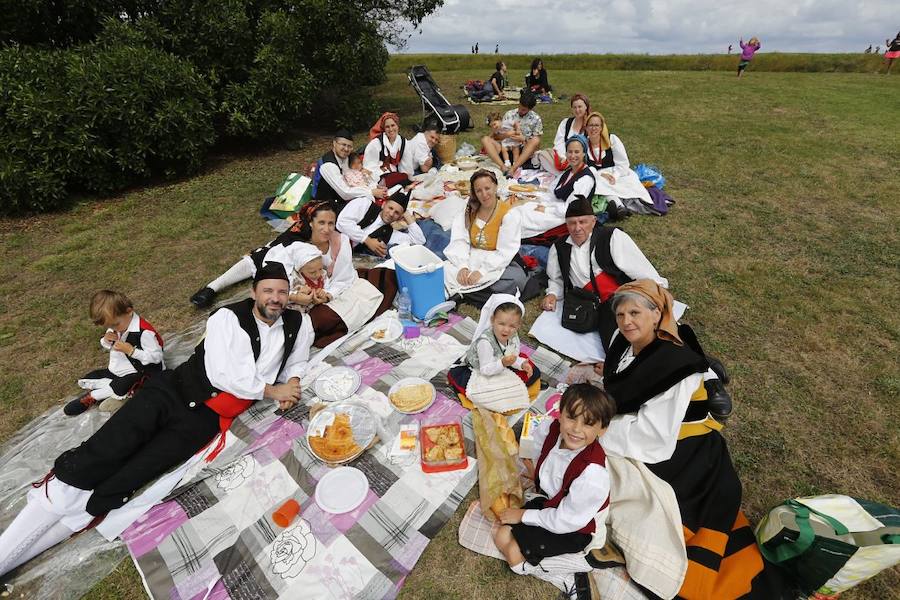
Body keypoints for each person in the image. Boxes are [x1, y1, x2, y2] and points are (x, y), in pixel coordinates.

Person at [0, 262, 314, 578]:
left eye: (282, 292)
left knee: (131, 478)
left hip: (205, 420)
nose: (275, 298)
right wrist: (274, 390)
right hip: (172, 392)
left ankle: (20, 555)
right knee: (101, 454)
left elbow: (297, 358)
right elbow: (224, 375)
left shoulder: (297, 323)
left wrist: (294, 383)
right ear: (253, 292)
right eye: (268, 291)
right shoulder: (227, 318)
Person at [600, 280, 777, 598]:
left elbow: (651, 436)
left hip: (683, 455)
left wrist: (598, 428)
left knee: (614, 488)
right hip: (649, 433)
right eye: (621, 314)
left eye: (636, 313)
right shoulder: (623, 342)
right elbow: (625, 387)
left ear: (657, 315)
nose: (627, 321)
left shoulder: (675, 366)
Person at [493, 383, 614, 597]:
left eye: (588, 423)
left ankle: (571, 574)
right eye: (571, 417)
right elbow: (540, 450)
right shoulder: (551, 429)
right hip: (552, 504)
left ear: (602, 429)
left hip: (575, 527)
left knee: (512, 553)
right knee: (501, 535)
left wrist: (523, 515)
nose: (576, 429)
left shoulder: (592, 476)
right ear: (560, 414)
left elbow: (565, 520)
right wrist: (535, 471)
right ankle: (557, 566)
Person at [541, 197, 667, 352]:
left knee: (651, 333)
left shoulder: (611, 236)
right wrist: (553, 294)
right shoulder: (559, 247)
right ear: (566, 224)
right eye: (572, 223)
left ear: (593, 221)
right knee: (615, 345)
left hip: (622, 295)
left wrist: (656, 290)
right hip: (590, 303)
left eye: (583, 222)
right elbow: (556, 278)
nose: (577, 228)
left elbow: (639, 268)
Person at [264, 202, 387, 347]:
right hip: (295, 294)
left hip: (328, 290)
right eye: (321, 223)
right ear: (311, 223)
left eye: (331, 223)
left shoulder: (341, 242)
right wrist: (294, 295)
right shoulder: (297, 245)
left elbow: (343, 278)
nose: (327, 229)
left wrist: (327, 294)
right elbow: (275, 276)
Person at [64, 290, 164, 416]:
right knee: (92, 376)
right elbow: (110, 342)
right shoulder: (119, 324)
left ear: (129, 311)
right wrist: (106, 340)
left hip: (143, 372)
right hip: (121, 368)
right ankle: (117, 392)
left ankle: (94, 397)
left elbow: (156, 357)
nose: (114, 329)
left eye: (115, 325)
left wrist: (132, 351)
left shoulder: (144, 332)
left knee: (125, 383)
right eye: (110, 326)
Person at [444, 169, 526, 306]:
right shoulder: (470, 209)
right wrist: (462, 267)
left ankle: (464, 293)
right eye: (479, 191)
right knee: (443, 269)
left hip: (495, 261)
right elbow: (460, 240)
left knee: (516, 279)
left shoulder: (509, 214)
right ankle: (473, 292)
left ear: (495, 186)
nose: (484, 194)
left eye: (487, 188)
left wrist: (482, 271)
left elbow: (505, 251)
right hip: (470, 255)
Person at [446, 294, 541, 407]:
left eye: (512, 326)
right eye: (501, 324)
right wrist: (502, 363)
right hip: (480, 369)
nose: (506, 330)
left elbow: (512, 355)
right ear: (492, 320)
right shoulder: (485, 342)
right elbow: (485, 369)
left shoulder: (513, 336)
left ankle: (512, 390)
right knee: (489, 394)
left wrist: (521, 364)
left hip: (500, 363)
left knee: (533, 371)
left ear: (518, 325)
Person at [519, 135, 596, 241]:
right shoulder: (568, 172)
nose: (573, 155)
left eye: (577, 152)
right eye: (570, 152)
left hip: (567, 217)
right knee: (522, 208)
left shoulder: (585, 179)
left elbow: (571, 208)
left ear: (584, 154)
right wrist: (539, 201)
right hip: (556, 209)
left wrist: (547, 209)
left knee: (526, 217)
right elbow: (551, 192)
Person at [582, 111, 654, 220]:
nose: (593, 128)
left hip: (617, 173)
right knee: (598, 183)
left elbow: (623, 163)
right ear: (586, 128)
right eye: (590, 125)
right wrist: (599, 175)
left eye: (596, 125)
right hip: (597, 175)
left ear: (601, 127)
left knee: (630, 184)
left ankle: (618, 206)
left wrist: (614, 176)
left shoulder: (612, 140)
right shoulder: (584, 144)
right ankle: (619, 207)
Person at [336, 182, 426, 256]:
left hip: (342, 257)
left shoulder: (389, 233)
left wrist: (407, 216)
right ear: (384, 204)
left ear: (400, 217)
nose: (391, 214)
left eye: (396, 213)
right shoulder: (365, 203)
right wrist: (367, 240)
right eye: (390, 208)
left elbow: (419, 241)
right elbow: (342, 222)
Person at [313, 129, 385, 210]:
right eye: (343, 145)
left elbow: (356, 173)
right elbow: (345, 193)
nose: (346, 149)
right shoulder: (328, 165)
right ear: (334, 143)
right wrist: (371, 192)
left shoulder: (347, 157)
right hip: (325, 204)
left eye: (349, 146)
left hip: (345, 195)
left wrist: (374, 186)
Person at [482, 92, 543, 176]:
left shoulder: (536, 119)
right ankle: (503, 167)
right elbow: (496, 137)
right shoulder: (509, 114)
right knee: (485, 139)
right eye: (520, 107)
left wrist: (524, 139)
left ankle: (514, 168)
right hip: (506, 150)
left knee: (536, 140)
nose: (520, 111)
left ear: (530, 109)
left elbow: (537, 145)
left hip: (524, 153)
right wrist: (507, 135)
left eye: (524, 109)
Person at [537, 93, 591, 174]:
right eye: (574, 107)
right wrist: (564, 157)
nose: (577, 110)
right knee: (542, 155)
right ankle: (564, 173)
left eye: (580, 107)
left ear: (586, 107)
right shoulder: (566, 123)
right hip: (564, 159)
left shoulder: (590, 125)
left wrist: (573, 158)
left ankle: (566, 174)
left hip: (580, 160)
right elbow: (558, 143)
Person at [363, 112, 411, 184]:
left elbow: (406, 165)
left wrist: (406, 177)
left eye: (393, 125)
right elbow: (369, 167)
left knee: (404, 179)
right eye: (387, 127)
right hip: (378, 175)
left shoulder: (404, 142)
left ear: (397, 126)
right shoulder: (376, 143)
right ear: (384, 129)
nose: (391, 129)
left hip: (395, 174)